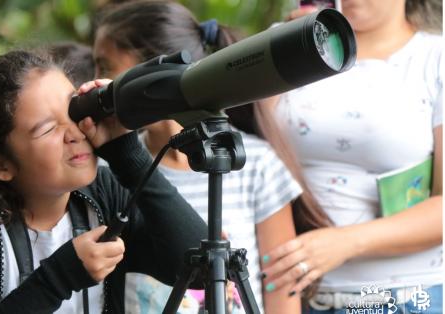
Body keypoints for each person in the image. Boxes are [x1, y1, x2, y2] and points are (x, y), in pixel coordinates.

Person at [0, 49, 208, 313]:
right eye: (47, 129)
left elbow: (201, 269)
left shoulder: (104, 193)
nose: (76, 133)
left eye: (75, 110)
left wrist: (128, 155)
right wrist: (59, 277)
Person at [92, 1, 332, 313]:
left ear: (152, 68)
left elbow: (281, 287)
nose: (96, 79)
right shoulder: (113, 169)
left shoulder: (256, 165)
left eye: (105, 66)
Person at [256, 0, 443, 313]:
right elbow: (248, 140)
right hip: (289, 297)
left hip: (403, 297)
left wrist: (344, 242)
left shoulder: (438, 57)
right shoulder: (291, 38)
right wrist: (292, 44)